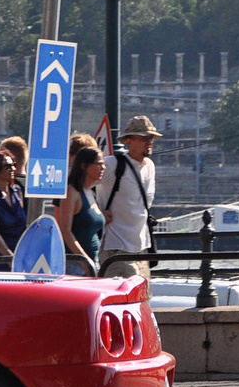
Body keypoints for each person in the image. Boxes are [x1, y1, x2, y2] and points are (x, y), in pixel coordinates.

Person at [93, 115, 161, 280]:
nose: (149, 142)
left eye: (151, 138)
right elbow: (80, 185)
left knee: (143, 300)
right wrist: (97, 213)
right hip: (117, 248)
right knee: (120, 299)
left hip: (142, 249)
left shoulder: (150, 167)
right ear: (129, 141)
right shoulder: (113, 164)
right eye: (144, 138)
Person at [54, 146, 106, 275]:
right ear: (84, 166)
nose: (103, 168)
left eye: (103, 164)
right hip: (76, 264)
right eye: (98, 164)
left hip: (93, 261)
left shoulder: (91, 192)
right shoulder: (72, 191)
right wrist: (84, 260)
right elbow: (65, 229)